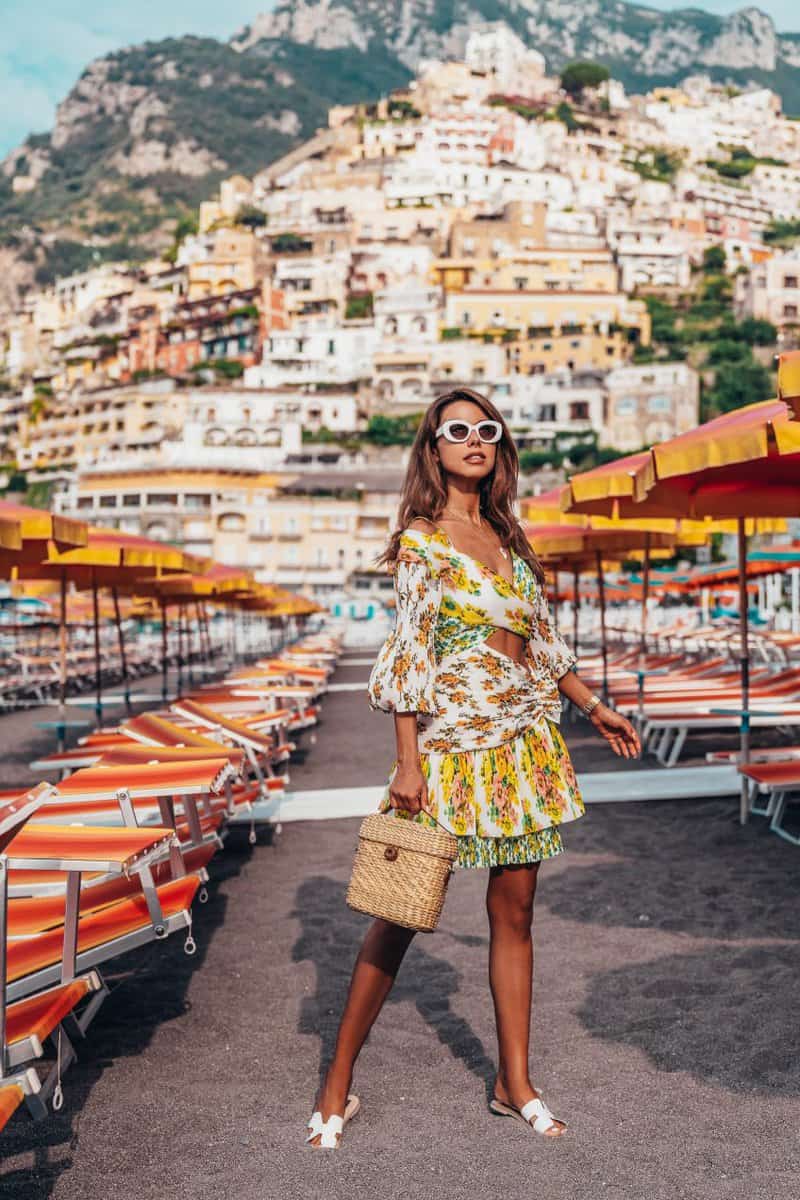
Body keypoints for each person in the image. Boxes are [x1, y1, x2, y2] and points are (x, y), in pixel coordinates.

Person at [305, 388, 640, 1149]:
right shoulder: (422, 541)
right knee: (400, 914)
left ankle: (512, 1081)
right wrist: (406, 763)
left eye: (487, 429)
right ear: (434, 447)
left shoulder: (507, 535)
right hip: (454, 744)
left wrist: (594, 707)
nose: (475, 440)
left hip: (525, 743)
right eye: (458, 430)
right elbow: (410, 655)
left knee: (515, 916)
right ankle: (337, 1082)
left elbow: (544, 643)